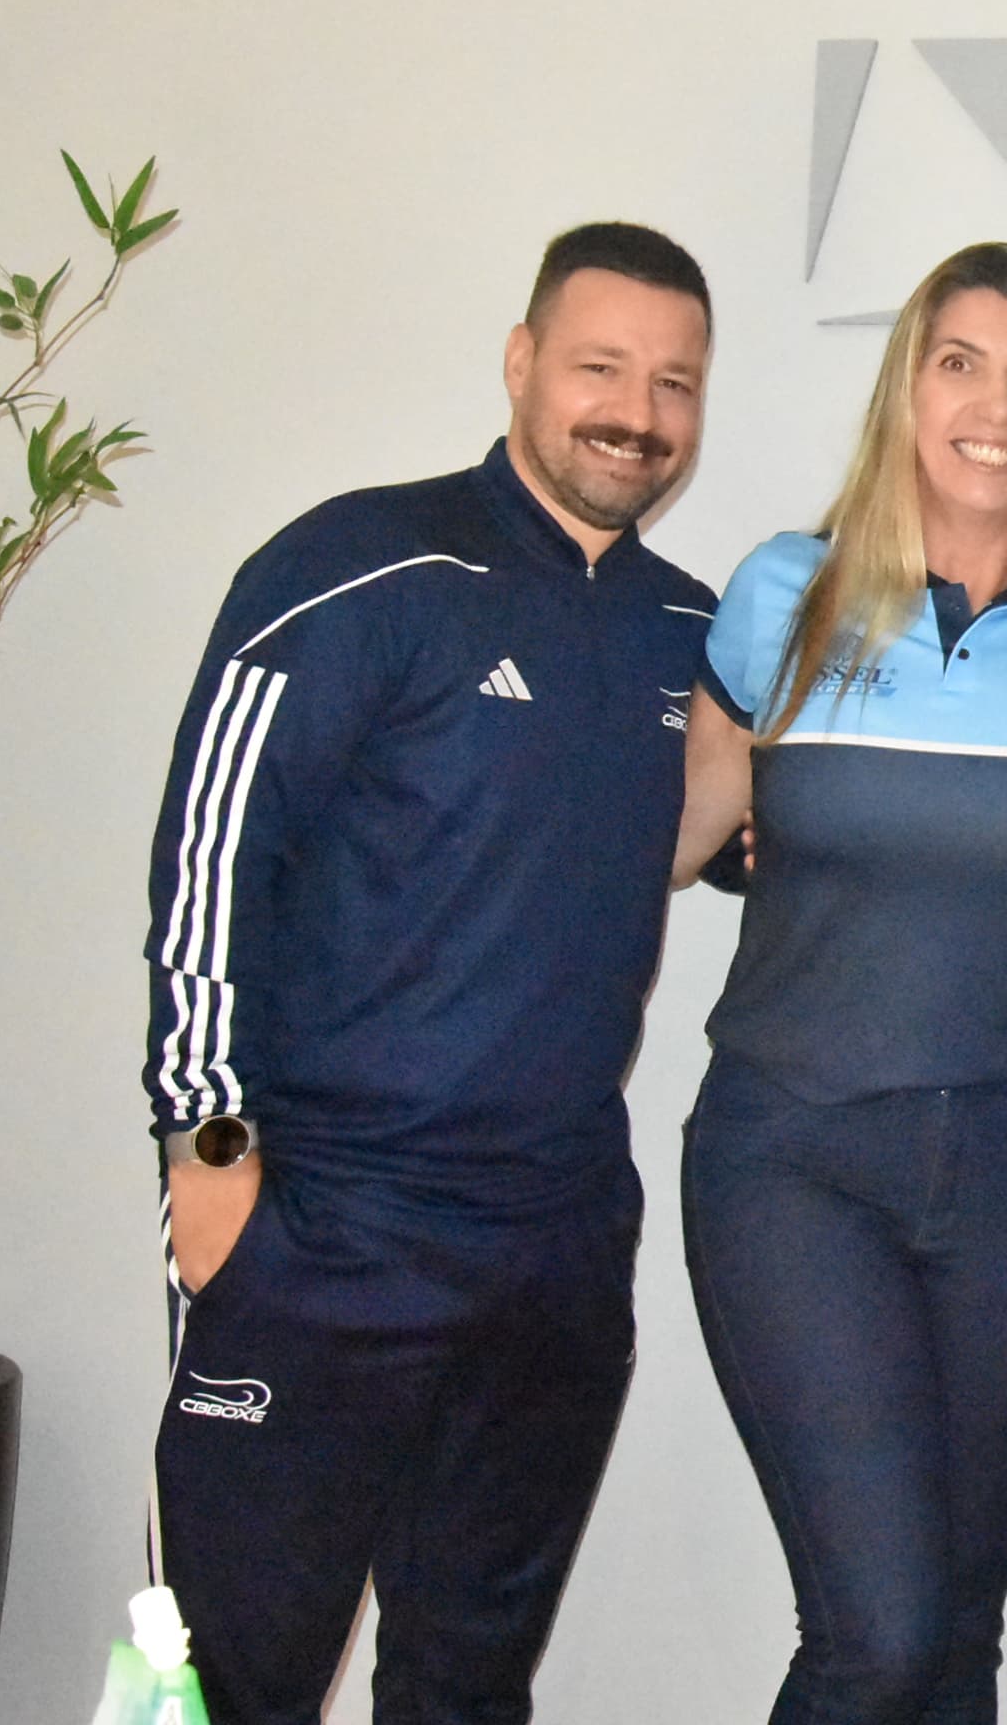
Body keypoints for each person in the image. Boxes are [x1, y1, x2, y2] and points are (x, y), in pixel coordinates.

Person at [141, 223, 718, 1725]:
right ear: (521, 363)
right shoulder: (356, 568)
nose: (636, 413)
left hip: (554, 1253)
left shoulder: (690, 632)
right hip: (328, 1226)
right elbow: (211, 862)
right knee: (221, 1688)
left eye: (673, 383)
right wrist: (207, 1152)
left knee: (467, 1688)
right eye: (600, 367)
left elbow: (760, 839)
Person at [668, 242, 1007, 1725]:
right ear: (907, 387)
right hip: (796, 1157)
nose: (994, 409)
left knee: (957, 1632)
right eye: (961, 364)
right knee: (877, 1634)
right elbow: (677, 834)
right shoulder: (786, 594)